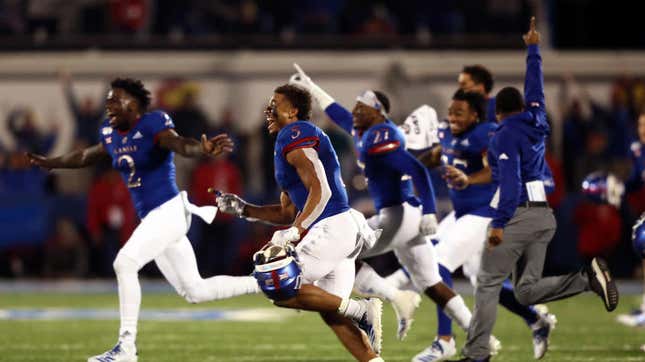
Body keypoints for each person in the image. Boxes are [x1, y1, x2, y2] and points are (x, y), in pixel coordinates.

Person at [27, 78, 261, 362]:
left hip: (169, 211)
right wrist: (53, 163)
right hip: (155, 217)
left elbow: (179, 144)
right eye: (109, 100)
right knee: (195, 291)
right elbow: (86, 155)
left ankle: (126, 347)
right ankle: (261, 283)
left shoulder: (152, 124)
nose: (109, 105)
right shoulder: (110, 132)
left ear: (134, 104)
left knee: (124, 263)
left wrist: (201, 149)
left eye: (116, 99)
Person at [451, 18, 619, 362]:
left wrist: (498, 222)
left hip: (519, 213)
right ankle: (587, 279)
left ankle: (477, 353)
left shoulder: (503, 134)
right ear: (524, 107)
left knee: (486, 283)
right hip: (544, 216)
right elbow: (536, 89)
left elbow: (509, 182)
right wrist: (533, 50)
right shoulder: (537, 120)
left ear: (497, 113)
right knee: (525, 293)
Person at [288, 66, 477, 350]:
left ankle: (397, 297)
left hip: (400, 213)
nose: (355, 110)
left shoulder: (382, 133)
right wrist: (312, 88)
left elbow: (417, 169)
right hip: (403, 215)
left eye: (361, 107)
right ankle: (478, 333)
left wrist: (429, 210)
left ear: (378, 111)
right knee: (432, 284)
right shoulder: (367, 132)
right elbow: (338, 113)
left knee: (343, 249)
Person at [216, 84, 384, 362]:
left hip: (332, 225)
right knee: (333, 313)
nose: (269, 109)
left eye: (276, 103)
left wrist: (296, 230)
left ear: (293, 111)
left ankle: (360, 310)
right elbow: (287, 211)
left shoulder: (294, 133)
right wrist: (245, 209)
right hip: (340, 227)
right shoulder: (288, 142)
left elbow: (322, 191)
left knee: (280, 288)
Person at [391, 90, 556, 361]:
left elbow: (497, 170)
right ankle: (536, 319)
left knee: (436, 265)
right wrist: (406, 169)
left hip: (484, 212)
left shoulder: (488, 134)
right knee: (483, 282)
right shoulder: (445, 132)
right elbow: (436, 155)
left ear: (475, 115)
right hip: (462, 213)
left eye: (459, 112)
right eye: (451, 111)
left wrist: (468, 179)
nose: (453, 117)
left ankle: (445, 340)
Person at [617, 113, 645, 327]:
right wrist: (618, 189)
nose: (642, 129)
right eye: (640, 124)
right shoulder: (638, 150)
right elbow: (636, 179)